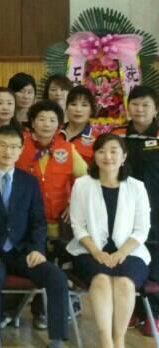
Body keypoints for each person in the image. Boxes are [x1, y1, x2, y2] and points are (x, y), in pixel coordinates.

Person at [0, 124, 71, 348]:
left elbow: (38, 221)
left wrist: (37, 249)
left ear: (21, 150)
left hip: (22, 252)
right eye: (2, 145)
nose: (7, 151)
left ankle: (57, 340)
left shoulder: (29, 182)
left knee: (56, 276)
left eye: (13, 146)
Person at [67, 133, 151, 348]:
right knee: (101, 280)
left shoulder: (137, 187)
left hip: (130, 250)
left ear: (124, 156)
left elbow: (142, 229)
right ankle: (105, 340)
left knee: (124, 282)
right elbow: (78, 226)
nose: (108, 156)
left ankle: (119, 339)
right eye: (102, 151)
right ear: (94, 156)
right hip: (89, 249)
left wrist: (121, 253)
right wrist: (96, 252)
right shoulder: (82, 185)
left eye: (114, 151)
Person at [110, 85, 159, 334]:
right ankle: (130, 310)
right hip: (124, 208)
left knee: (156, 260)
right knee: (129, 256)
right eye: (135, 104)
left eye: (146, 105)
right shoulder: (118, 135)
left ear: (156, 109)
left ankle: (154, 314)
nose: (139, 109)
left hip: (156, 208)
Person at [16, 100, 88, 238]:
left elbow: (86, 179)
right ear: (32, 123)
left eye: (52, 120)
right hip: (26, 221)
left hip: (59, 223)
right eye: (41, 119)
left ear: (59, 125)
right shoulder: (19, 146)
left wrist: (73, 203)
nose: (47, 124)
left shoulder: (67, 149)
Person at [61, 86, 97, 164]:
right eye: (73, 104)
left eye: (84, 105)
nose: (78, 109)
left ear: (91, 110)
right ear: (66, 108)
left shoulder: (97, 139)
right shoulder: (54, 133)